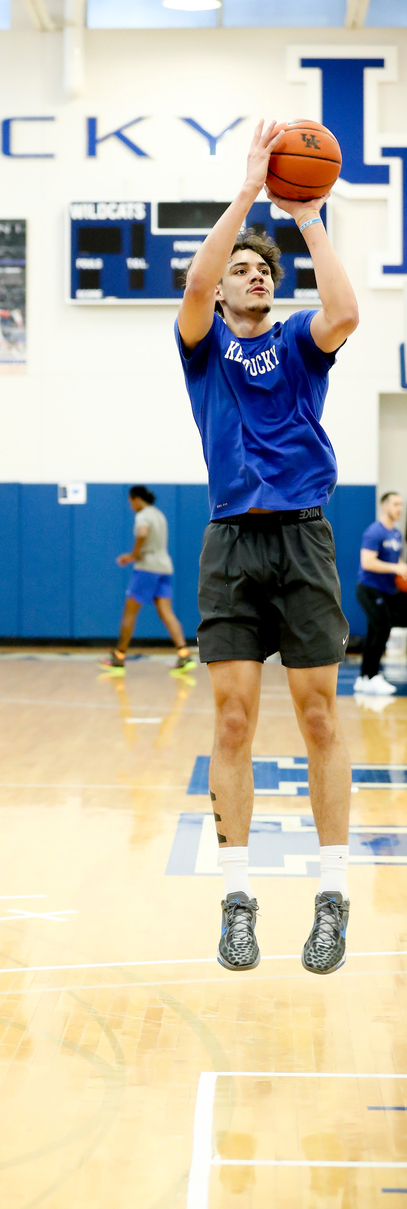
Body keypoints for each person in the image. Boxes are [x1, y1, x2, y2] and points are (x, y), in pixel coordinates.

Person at [176, 119, 359, 976]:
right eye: (239, 271)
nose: (249, 275)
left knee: (319, 717)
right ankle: (237, 899)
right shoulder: (203, 347)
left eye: (261, 270)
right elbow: (195, 277)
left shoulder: (294, 344)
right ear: (222, 293)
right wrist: (249, 190)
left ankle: (330, 897)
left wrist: (308, 213)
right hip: (228, 543)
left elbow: (345, 311)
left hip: (302, 536)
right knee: (234, 719)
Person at [105, 486, 195, 676]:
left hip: (147, 568)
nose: (130, 506)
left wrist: (133, 555)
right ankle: (184, 654)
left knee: (129, 612)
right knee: (166, 613)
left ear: (136, 499)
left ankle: (119, 657)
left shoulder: (143, 515)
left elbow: (143, 533)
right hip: (164, 567)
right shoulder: (159, 514)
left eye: (130, 502)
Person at [354, 492, 407, 695]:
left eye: (401, 504)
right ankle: (373, 676)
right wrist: (395, 569)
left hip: (385, 590)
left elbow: (396, 562)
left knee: (375, 631)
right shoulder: (374, 532)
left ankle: (363, 678)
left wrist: (401, 567)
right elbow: (368, 562)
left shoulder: (397, 533)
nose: (399, 508)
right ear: (385, 507)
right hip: (368, 588)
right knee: (383, 628)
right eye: (395, 504)